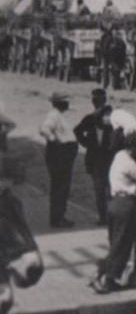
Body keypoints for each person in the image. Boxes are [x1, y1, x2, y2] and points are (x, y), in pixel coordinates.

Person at [90, 130, 136, 294]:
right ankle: (100, 275)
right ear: (134, 148)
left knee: (117, 243)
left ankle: (111, 279)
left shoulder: (119, 156)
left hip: (113, 204)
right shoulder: (128, 162)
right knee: (121, 244)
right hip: (125, 205)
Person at [73, 91, 113, 226]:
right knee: (101, 189)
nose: (98, 103)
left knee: (105, 188)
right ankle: (104, 217)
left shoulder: (110, 118)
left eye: (100, 101)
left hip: (107, 157)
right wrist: (87, 144)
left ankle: (109, 216)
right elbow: (77, 131)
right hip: (98, 158)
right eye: (97, 101)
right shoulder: (91, 119)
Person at [39, 92, 78, 228]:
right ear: (59, 103)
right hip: (60, 154)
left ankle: (59, 216)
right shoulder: (54, 115)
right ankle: (57, 218)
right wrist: (55, 141)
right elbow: (44, 129)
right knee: (60, 186)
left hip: (63, 154)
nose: (68, 104)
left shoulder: (58, 115)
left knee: (61, 186)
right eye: (65, 101)